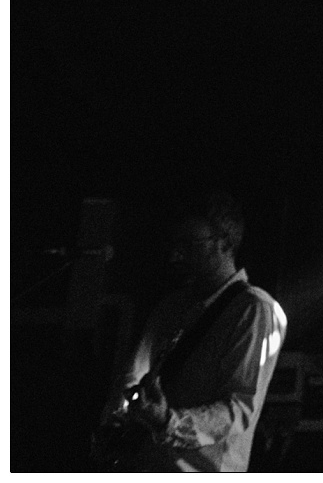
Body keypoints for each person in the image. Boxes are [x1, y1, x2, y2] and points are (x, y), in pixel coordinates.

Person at [99, 192, 287, 471]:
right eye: (175, 243)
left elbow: (238, 409)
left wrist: (168, 421)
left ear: (225, 243)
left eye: (190, 244)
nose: (176, 254)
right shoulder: (171, 306)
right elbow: (132, 374)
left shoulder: (254, 310)